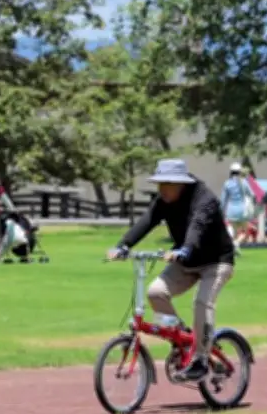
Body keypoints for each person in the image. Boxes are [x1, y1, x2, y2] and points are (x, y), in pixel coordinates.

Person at [107, 159, 235, 382]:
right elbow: (147, 221)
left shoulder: (204, 199)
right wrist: (123, 245)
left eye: (168, 184)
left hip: (216, 262)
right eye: (160, 184)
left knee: (202, 303)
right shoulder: (164, 200)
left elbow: (197, 226)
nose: (162, 190)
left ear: (182, 184)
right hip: (186, 262)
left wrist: (185, 249)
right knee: (156, 293)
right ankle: (183, 339)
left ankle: (201, 360)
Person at [220, 162, 256, 254]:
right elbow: (252, 194)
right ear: (240, 172)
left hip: (231, 211)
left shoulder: (227, 183)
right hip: (242, 211)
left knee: (234, 231)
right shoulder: (244, 182)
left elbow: (223, 200)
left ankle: (233, 246)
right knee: (244, 232)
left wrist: (221, 211)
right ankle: (236, 244)